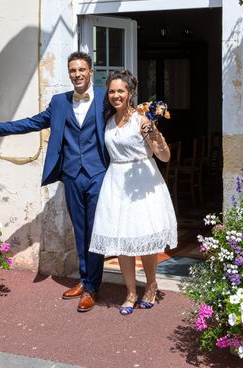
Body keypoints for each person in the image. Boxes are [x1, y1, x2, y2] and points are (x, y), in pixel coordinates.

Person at [0, 51, 109, 312]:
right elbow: (33, 122)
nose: (77, 74)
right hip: (71, 175)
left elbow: (125, 114)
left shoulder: (104, 97)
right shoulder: (59, 102)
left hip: (98, 175)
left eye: (81, 70)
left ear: (90, 71)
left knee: (95, 231)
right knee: (80, 231)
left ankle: (93, 286)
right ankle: (85, 278)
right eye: (72, 71)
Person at [89, 70, 177, 315]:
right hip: (115, 182)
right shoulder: (107, 121)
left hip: (143, 181)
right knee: (121, 239)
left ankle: (150, 285)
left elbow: (164, 155)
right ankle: (130, 292)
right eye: (112, 91)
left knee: (144, 236)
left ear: (130, 93)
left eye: (121, 91)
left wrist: (152, 131)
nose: (116, 95)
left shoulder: (142, 119)